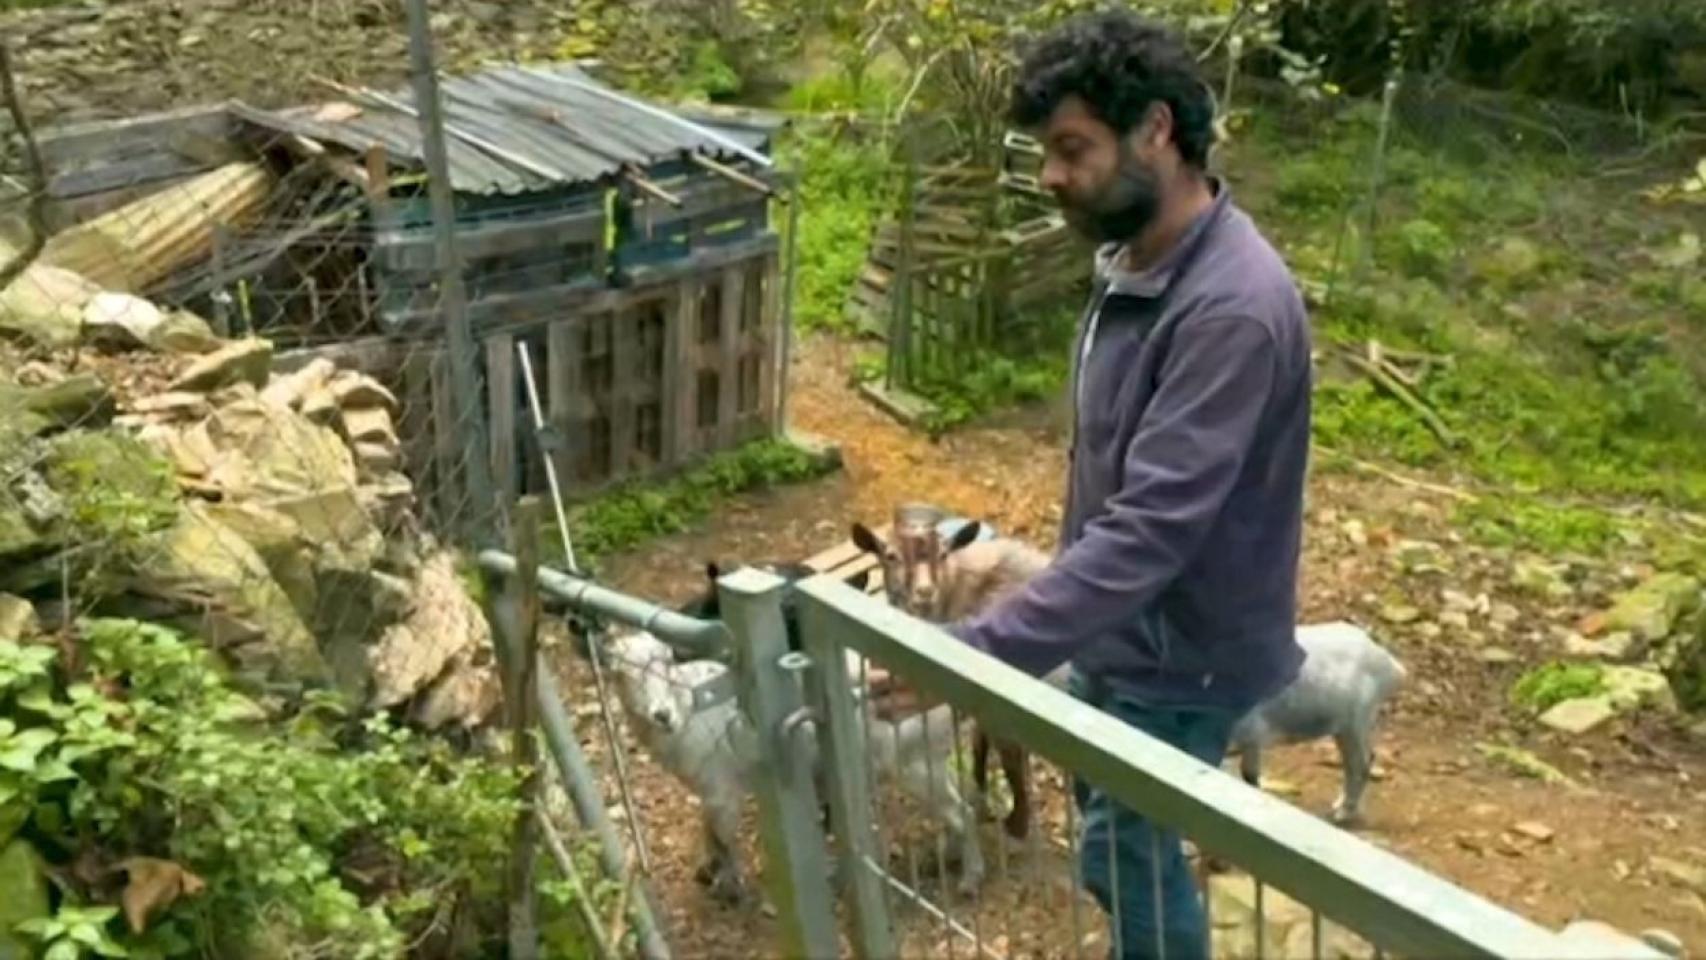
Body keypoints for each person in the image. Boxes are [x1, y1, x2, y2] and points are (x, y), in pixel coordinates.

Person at [866, 9, 1314, 959]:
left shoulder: (1230, 308)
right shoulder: (1134, 263)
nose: (1050, 175)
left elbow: (1151, 529)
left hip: (1182, 651)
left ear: (1157, 129)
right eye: (1046, 150)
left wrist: (972, 652)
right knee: (1114, 836)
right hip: (1122, 628)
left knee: (1127, 850)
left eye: (1073, 148)